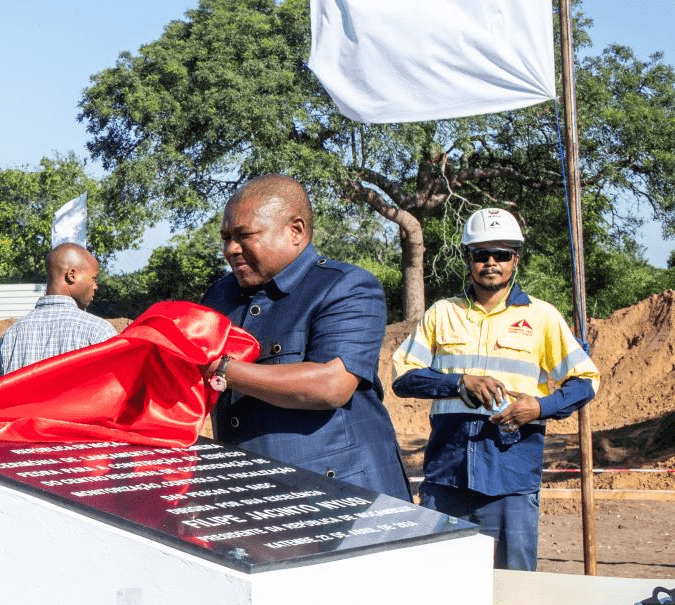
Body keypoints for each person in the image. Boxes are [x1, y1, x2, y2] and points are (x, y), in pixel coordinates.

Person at [391, 207, 600, 570]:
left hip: (511, 479)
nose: (491, 262)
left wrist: (540, 407)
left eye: (501, 254)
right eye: (481, 254)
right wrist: (458, 383)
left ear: (515, 259)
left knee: (514, 592)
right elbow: (403, 376)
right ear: (468, 259)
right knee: (443, 585)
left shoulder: (542, 317)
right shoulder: (442, 314)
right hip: (447, 479)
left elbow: (586, 380)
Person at [201, 174, 410, 502]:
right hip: (252, 494)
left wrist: (221, 370)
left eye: (244, 236)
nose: (231, 249)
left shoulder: (347, 287)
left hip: (341, 499)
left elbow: (331, 385)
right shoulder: (219, 296)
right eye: (226, 237)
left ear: (295, 231)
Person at [0, 243, 116, 379]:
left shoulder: (10, 337)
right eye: (94, 278)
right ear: (71, 275)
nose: (96, 287)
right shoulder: (98, 332)